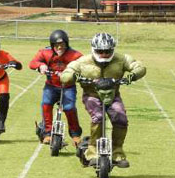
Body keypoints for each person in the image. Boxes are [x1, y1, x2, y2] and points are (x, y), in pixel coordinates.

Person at [60, 33, 145, 168]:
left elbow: (139, 67)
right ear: (94, 49)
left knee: (121, 117)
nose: (104, 54)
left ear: (113, 49)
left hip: (113, 95)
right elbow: (66, 74)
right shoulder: (83, 61)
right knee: (98, 118)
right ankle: (92, 152)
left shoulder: (121, 59)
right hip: (92, 95)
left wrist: (132, 76)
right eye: (100, 51)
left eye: (107, 51)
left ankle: (117, 152)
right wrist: (75, 77)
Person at [29, 30, 83, 146]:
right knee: (46, 104)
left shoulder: (75, 55)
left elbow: (85, 66)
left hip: (68, 87)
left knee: (69, 108)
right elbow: (33, 62)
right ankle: (47, 133)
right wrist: (41, 65)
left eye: (62, 45)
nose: (59, 48)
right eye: (56, 45)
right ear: (52, 45)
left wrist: (77, 73)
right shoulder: (45, 52)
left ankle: (75, 135)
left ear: (67, 44)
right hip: (51, 86)